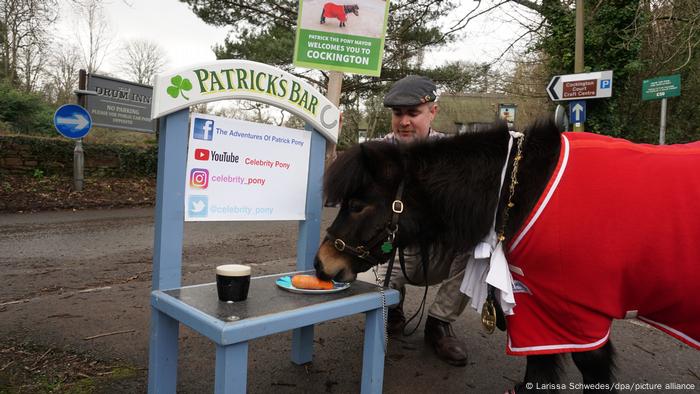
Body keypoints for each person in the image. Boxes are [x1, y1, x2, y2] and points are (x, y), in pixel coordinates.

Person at [378, 75, 470, 367]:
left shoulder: (454, 155)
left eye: (413, 113)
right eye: (397, 113)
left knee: (479, 251)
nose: (404, 121)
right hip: (391, 251)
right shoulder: (377, 153)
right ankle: (391, 309)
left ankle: (439, 323)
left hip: (438, 254)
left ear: (434, 111)